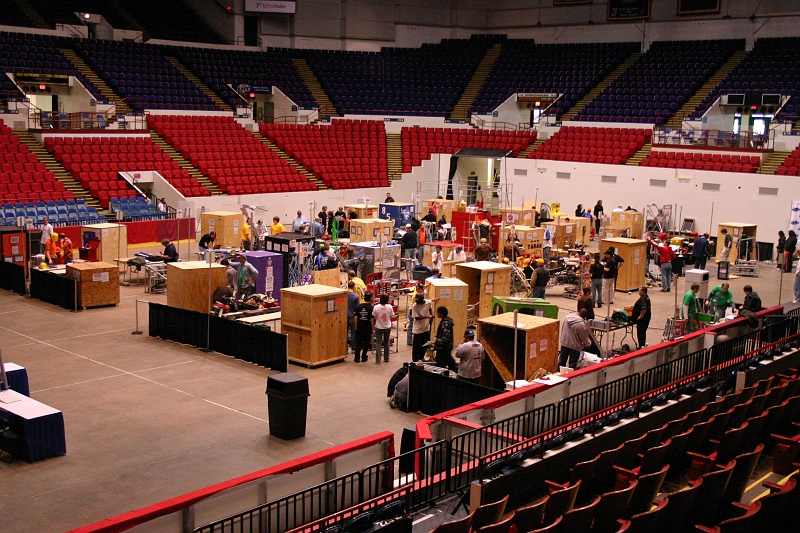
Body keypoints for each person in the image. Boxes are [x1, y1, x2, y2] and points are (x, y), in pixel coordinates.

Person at [433, 306, 458, 372]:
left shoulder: (445, 323)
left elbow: (446, 337)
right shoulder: (446, 321)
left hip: (443, 348)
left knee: (442, 364)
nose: (437, 314)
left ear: (441, 313)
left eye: (437, 312)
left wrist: (437, 341)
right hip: (446, 347)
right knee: (448, 363)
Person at [372, 294, 396, 364]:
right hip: (387, 326)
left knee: (379, 343)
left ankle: (378, 360)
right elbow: (392, 315)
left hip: (378, 326)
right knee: (386, 342)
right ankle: (386, 358)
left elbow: (374, 316)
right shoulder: (389, 307)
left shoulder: (376, 307)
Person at [411, 293, 434, 362]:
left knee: (425, 344)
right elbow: (417, 317)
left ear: (422, 300)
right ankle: (415, 359)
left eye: (418, 300)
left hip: (426, 327)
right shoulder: (415, 306)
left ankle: (421, 357)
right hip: (417, 329)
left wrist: (431, 315)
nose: (416, 302)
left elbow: (430, 308)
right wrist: (428, 317)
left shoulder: (428, 302)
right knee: (416, 345)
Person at [353, 291, 374, 363]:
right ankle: (364, 357)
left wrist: (356, 327)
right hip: (367, 328)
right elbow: (371, 319)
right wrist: (372, 328)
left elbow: (355, 318)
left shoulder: (358, 307)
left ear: (364, 298)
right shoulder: (371, 308)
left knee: (358, 343)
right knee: (366, 343)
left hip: (359, 327)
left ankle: (357, 358)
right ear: (370, 299)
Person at [347, 281, 361, 353]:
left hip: (345, 317)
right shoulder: (356, 297)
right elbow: (357, 308)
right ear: (354, 287)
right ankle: (353, 347)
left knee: (344, 333)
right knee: (353, 333)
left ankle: (345, 348)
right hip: (352, 316)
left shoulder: (344, 295)